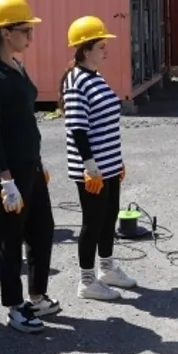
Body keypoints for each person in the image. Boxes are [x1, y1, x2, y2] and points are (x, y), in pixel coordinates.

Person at [0, 0, 62, 333]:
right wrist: (5, 180)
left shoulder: (17, 67)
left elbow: (26, 121)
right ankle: (14, 305)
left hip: (30, 166)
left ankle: (36, 296)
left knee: (42, 230)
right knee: (11, 239)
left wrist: (38, 162)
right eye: (25, 30)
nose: (30, 36)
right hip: (10, 172)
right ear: (4, 32)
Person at [59, 15, 137, 301]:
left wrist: (117, 162)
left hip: (109, 165)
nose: (106, 50)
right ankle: (87, 281)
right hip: (92, 169)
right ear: (85, 49)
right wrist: (90, 166)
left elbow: (105, 124)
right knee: (92, 222)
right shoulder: (76, 81)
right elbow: (77, 129)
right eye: (101, 46)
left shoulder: (95, 77)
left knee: (109, 217)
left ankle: (106, 268)